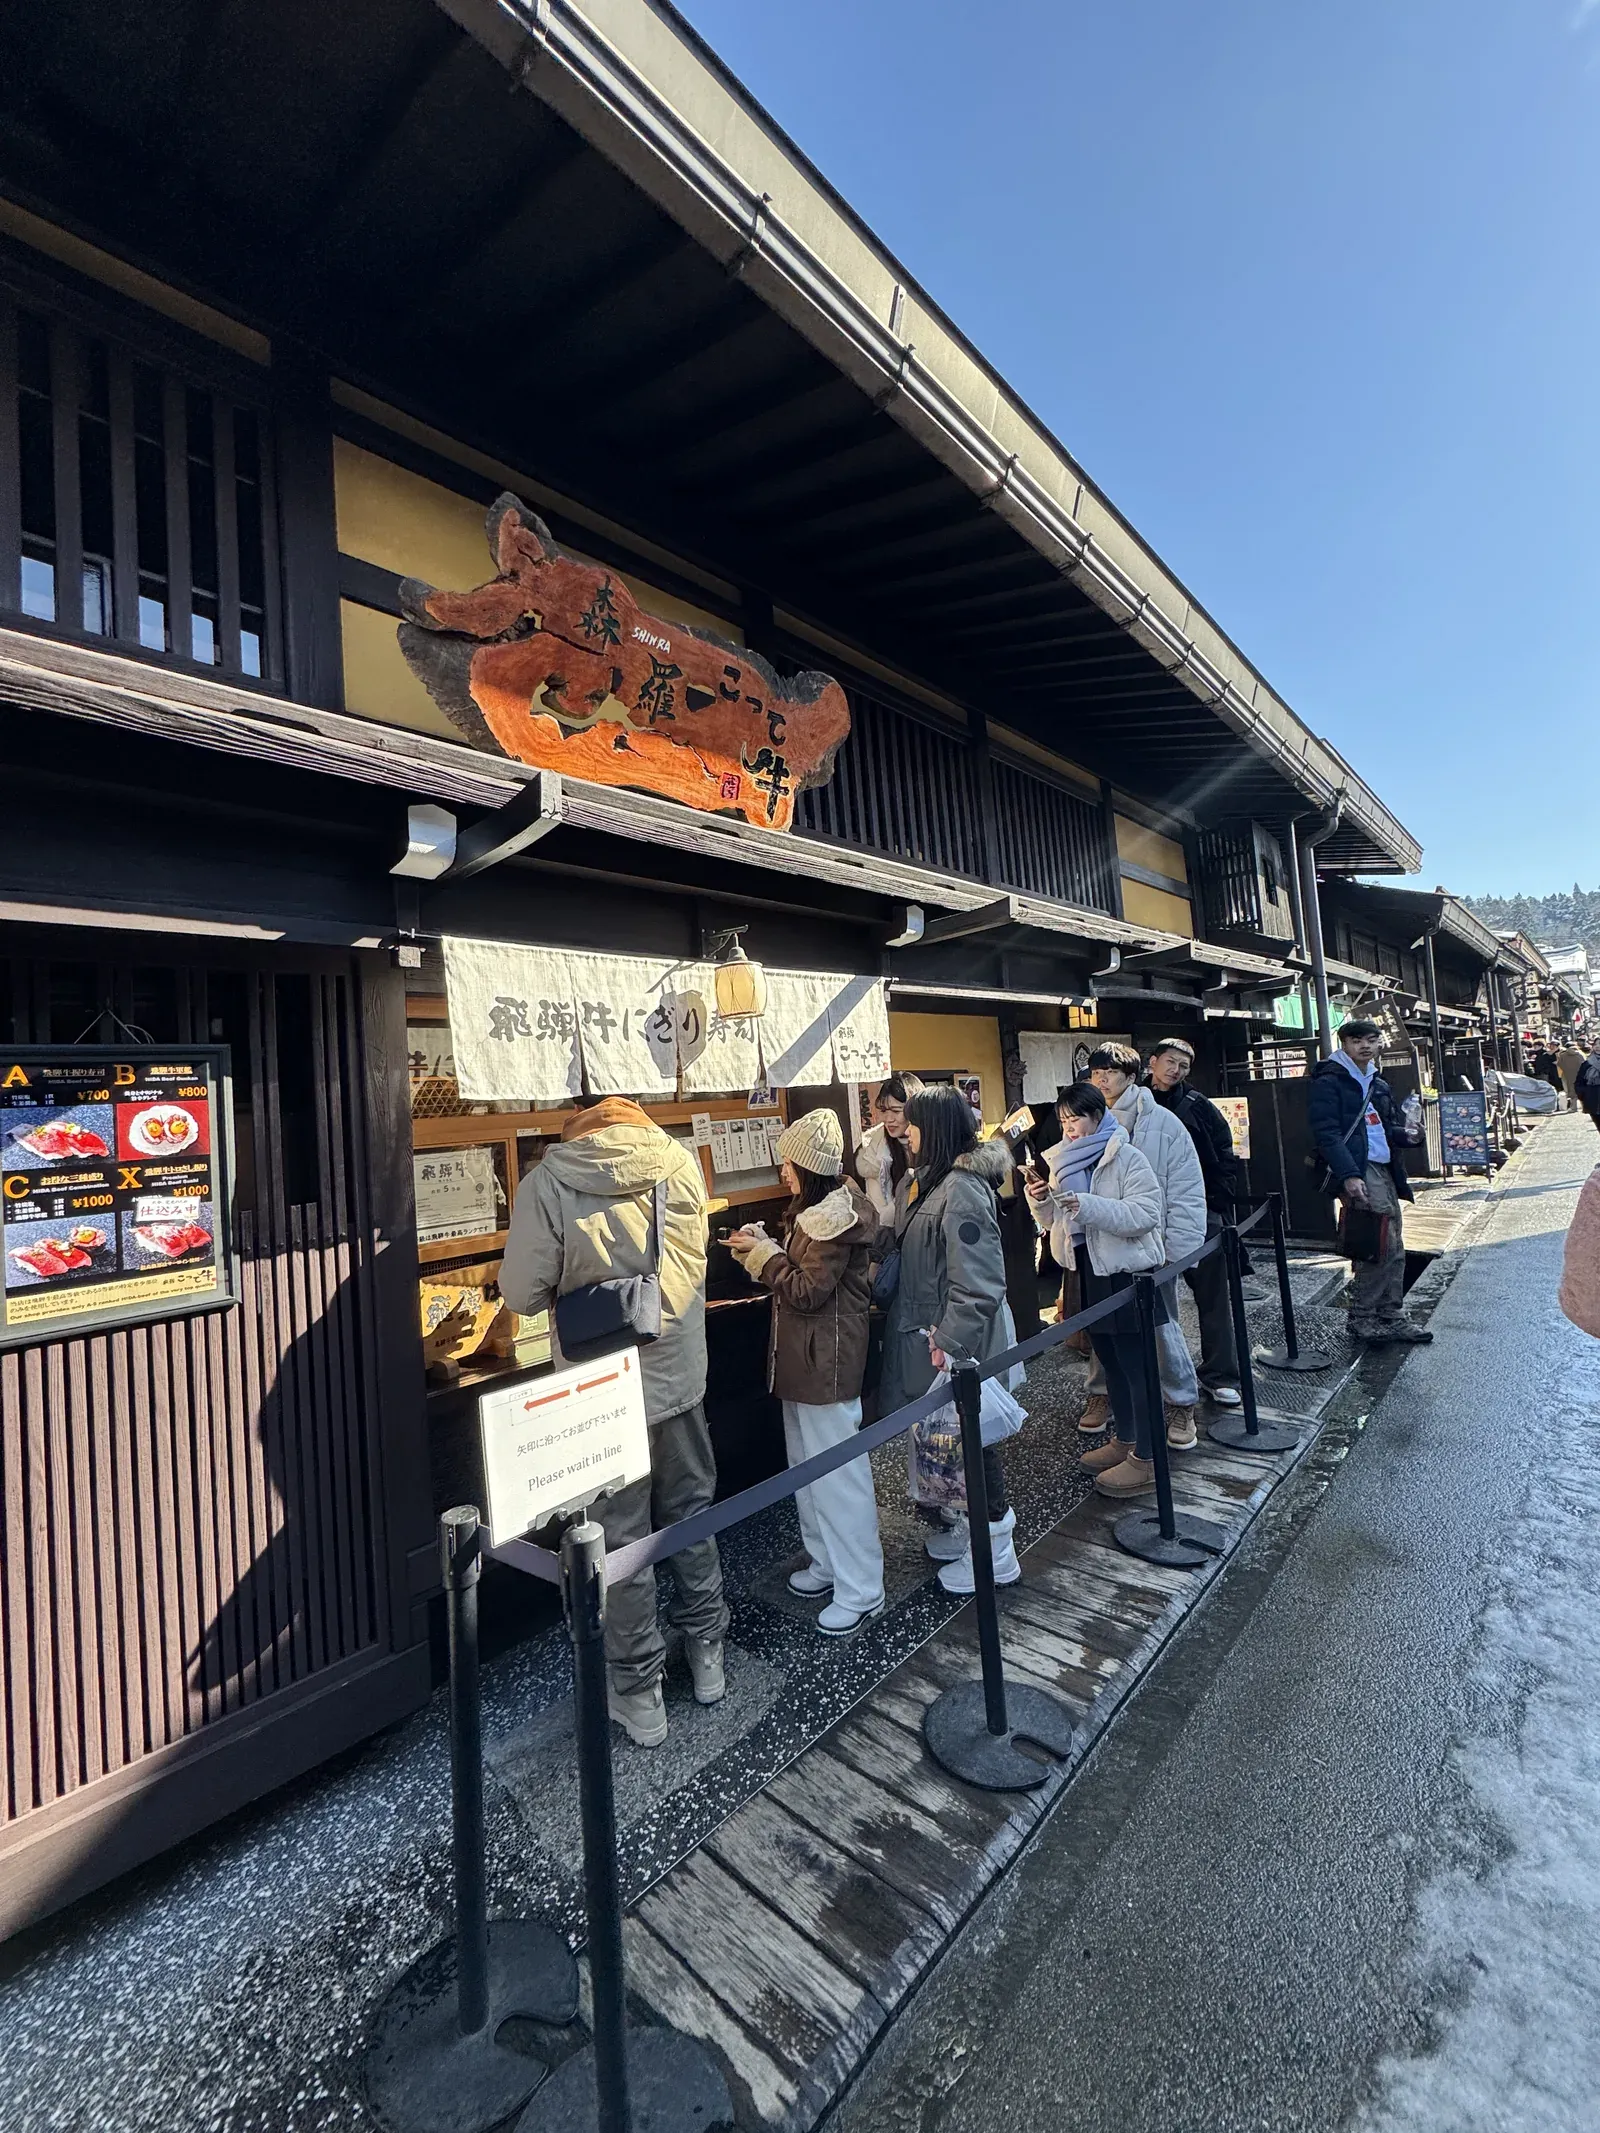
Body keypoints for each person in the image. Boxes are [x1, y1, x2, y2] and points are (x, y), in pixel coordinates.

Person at [498, 1095, 728, 1748]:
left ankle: (640, 1692)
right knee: (692, 1513)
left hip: (596, 1395)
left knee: (619, 1541)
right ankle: (708, 1653)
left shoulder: (546, 1183)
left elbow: (519, 1293)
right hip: (677, 1378)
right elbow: (685, 1275)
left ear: (576, 1117)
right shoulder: (678, 1163)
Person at [728, 1109, 885, 1638]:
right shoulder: (816, 1211)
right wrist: (765, 1245)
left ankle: (862, 1588)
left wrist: (764, 1255)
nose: (784, 1174)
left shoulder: (835, 1217)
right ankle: (825, 1564)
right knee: (808, 1470)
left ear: (808, 1167)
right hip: (806, 1362)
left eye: (790, 1164)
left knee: (839, 1477)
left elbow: (805, 1291)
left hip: (828, 1364)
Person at [879, 1084, 1017, 1594]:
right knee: (950, 1446)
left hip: (954, 1349)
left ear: (932, 1128)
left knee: (976, 1448)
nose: (905, 1132)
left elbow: (979, 1281)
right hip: (932, 1340)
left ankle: (996, 1551)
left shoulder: (960, 1188)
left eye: (912, 1123)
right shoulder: (930, 1182)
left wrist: (952, 1343)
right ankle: (967, 1534)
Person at [1027, 1081, 1167, 1498]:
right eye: (1065, 1120)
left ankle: (1148, 1458)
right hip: (1085, 1270)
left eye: (1077, 1119)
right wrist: (1041, 1200)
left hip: (1125, 1274)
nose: (1070, 1128)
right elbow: (1056, 1222)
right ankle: (1124, 1440)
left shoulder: (1126, 1156)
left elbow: (1146, 1214)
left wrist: (1086, 1206)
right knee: (1108, 1361)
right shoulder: (1062, 1160)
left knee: (1136, 1365)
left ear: (1098, 1116)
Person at [1079, 1043, 1207, 1449]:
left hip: (1152, 1249)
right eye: (1096, 1071)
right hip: (1100, 1246)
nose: (1102, 1079)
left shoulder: (1164, 1124)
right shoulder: (1086, 1124)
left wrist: (1177, 1251)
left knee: (1162, 1327)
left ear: (1133, 1077)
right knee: (1106, 1329)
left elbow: (1186, 1190)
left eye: (1111, 1072)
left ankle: (1181, 1402)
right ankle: (1104, 1396)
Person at [1306, 1019, 1432, 1346]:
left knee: (1394, 1243)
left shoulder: (1376, 1080)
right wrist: (1349, 1175)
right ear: (1344, 1044)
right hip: (1361, 1169)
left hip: (1384, 1166)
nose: (1364, 1045)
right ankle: (1364, 1317)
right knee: (1378, 1245)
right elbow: (1327, 1133)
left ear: (1379, 1044)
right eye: (1356, 1040)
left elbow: (1385, 1127)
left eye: (1371, 1040)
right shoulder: (1330, 1079)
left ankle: (1390, 1314)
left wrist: (1409, 1135)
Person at [1144, 1038, 1247, 1409]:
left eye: (1183, 1066)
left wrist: (1217, 1205)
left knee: (1213, 1296)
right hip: (1147, 1215)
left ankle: (1220, 1375)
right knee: (1154, 1301)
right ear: (1152, 1062)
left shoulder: (1199, 1106)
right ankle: (1160, 1376)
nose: (1176, 1070)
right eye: (1170, 1062)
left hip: (1200, 1212)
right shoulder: (1134, 1104)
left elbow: (1224, 1155)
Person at [852, 1071, 924, 1222]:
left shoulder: (933, 1146)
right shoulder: (872, 1151)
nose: (888, 1119)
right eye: (884, 1111)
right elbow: (878, 1213)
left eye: (897, 1111)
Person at [1556, 1037, 1585, 1112]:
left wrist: (1566, 1069)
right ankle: (1584, 1107)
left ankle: (1574, 1107)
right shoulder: (1580, 1054)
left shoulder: (1562, 1055)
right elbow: (1585, 1064)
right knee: (1582, 1091)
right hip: (1580, 1075)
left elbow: (1559, 1064)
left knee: (1572, 1091)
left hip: (1567, 1075)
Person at [1578, 1041, 1600, 1133]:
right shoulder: (1587, 1063)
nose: (1598, 1046)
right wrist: (1583, 1096)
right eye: (1596, 1044)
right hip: (1593, 1098)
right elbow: (1580, 1082)